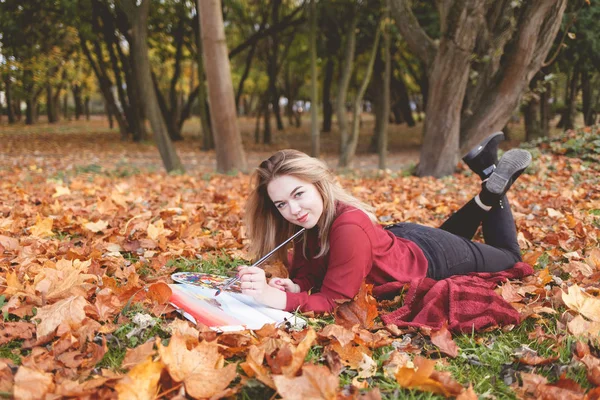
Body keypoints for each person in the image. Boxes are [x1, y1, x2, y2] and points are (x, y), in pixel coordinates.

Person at [237, 132, 532, 313]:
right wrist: (295, 286)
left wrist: (273, 298)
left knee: (510, 258)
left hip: (434, 257)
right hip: (408, 240)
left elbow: (334, 301)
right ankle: (488, 171)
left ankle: (492, 184)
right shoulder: (306, 223)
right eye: (281, 204)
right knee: (454, 238)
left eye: (298, 193)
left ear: (318, 184)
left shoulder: (348, 227)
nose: (294, 209)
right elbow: (311, 275)